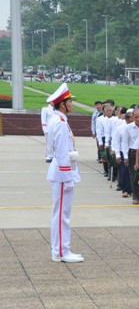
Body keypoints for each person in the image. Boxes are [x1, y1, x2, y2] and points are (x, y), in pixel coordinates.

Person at [46, 83, 83, 263]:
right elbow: (61, 153)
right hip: (62, 174)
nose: (72, 105)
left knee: (61, 214)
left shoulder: (59, 120)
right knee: (62, 215)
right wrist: (68, 177)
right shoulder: (60, 123)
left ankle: (61, 249)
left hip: (62, 172)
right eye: (70, 101)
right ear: (62, 104)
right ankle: (61, 251)